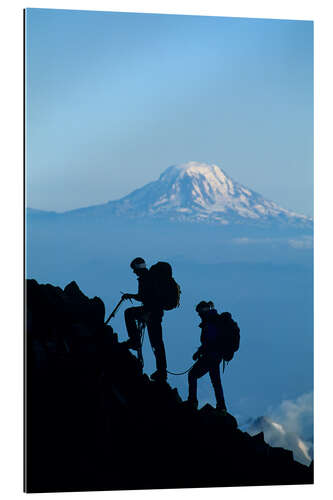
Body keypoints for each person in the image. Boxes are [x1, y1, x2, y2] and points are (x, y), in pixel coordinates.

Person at [122, 257, 167, 382]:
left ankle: (134, 340)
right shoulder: (151, 277)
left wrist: (130, 296)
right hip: (155, 313)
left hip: (151, 314)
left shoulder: (145, 279)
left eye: (134, 269)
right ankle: (161, 371)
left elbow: (144, 297)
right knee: (157, 343)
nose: (133, 272)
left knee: (129, 313)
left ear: (137, 268)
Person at [186, 300, 227, 414]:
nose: (198, 315)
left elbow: (209, 341)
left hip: (210, 356)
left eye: (199, 312)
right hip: (216, 356)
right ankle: (222, 406)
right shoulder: (215, 319)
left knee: (192, 375)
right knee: (216, 381)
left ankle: (192, 401)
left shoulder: (210, 322)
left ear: (203, 310)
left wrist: (199, 352)